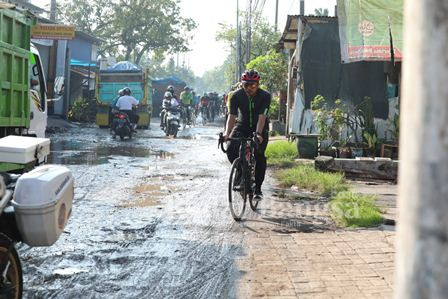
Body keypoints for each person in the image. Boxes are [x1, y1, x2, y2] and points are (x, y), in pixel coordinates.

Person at [223, 70, 271, 201]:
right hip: (242, 125)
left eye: (253, 85)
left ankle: (258, 189)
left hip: (260, 127)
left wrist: (259, 134)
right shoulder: (236, 96)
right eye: (246, 85)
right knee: (231, 147)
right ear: (242, 84)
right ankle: (241, 172)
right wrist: (227, 134)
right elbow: (232, 116)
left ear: (258, 84)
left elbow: (262, 117)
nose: (249, 88)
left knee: (259, 155)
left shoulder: (265, 96)